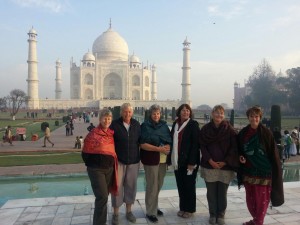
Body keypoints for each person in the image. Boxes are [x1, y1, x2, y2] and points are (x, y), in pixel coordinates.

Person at [237, 106, 284, 225]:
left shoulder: (266, 133)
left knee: (261, 200)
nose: (254, 119)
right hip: (248, 171)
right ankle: (256, 220)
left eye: (256, 116)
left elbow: (272, 153)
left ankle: (258, 222)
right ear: (248, 117)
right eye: (251, 116)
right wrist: (240, 156)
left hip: (264, 172)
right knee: (250, 200)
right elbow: (239, 149)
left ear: (260, 118)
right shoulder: (243, 133)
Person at [199, 105, 239, 225]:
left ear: (224, 115)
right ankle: (212, 214)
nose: (219, 115)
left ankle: (220, 214)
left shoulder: (229, 130)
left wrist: (225, 162)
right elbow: (202, 146)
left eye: (221, 113)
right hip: (209, 165)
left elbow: (234, 148)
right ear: (212, 114)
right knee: (211, 193)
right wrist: (210, 160)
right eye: (216, 113)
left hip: (225, 167)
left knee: (222, 193)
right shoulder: (206, 129)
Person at [81, 108, 118, 225]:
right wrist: (95, 163)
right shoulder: (93, 134)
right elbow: (85, 153)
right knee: (102, 197)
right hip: (96, 170)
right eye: (104, 118)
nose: (107, 120)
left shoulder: (111, 134)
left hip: (109, 169)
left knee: (104, 198)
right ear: (100, 119)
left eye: (109, 118)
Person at [140, 104, 172, 223]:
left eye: (158, 113)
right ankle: (150, 212)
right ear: (150, 114)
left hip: (163, 160)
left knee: (158, 185)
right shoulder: (145, 126)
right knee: (152, 186)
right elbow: (143, 144)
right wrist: (159, 149)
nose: (156, 115)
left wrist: (168, 145)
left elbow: (168, 139)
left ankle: (154, 206)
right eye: (154, 113)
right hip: (151, 159)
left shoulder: (163, 126)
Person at [110, 103, 141, 225]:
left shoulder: (136, 124)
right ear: (121, 112)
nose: (127, 113)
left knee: (131, 186)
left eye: (129, 111)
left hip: (133, 161)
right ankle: (116, 213)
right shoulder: (114, 124)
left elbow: (141, 141)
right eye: (125, 111)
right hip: (119, 161)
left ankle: (129, 211)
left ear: (132, 113)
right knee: (117, 187)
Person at [168, 104, 200, 219]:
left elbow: (195, 145)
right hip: (178, 161)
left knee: (189, 185)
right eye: (183, 110)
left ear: (190, 113)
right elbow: (171, 141)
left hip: (189, 162)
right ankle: (183, 207)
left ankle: (190, 209)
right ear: (179, 112)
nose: (185, 112)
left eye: (187, 111)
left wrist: (192, 162)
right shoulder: (175, 124)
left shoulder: (193, 125)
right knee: (181, 185)